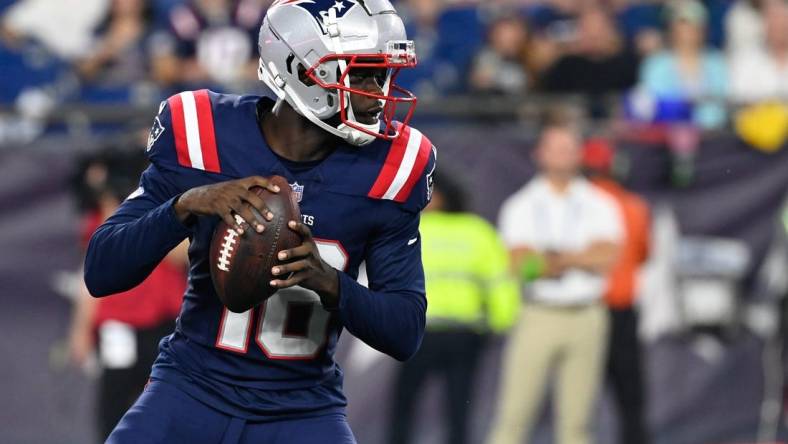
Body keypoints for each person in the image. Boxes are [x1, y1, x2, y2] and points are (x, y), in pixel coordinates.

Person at [83, 1, 436, 442]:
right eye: (359, 73)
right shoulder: (203, 131)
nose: (375, 93)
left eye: (381, 74)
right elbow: (101, 270)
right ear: (301, 69)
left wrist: (329, 282)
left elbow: (404, 331)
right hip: (191, 389)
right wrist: (185, 206)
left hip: (304, 409)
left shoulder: (393, 166)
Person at [486, 114, 623, 444]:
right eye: (556, 147)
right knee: (514, 418)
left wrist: (553, 259)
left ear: (580, 153)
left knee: (577, 423)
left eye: (569, 148)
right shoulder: (521, 205)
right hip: (539, 313)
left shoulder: (599, 202)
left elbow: (608, 257)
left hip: (586, 314)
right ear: (540, 153)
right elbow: (521, 264)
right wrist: (579, 257)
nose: (563, 155)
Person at [387, 170, 520, 444]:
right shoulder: (477, 231)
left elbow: (388, 279)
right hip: (464, 333)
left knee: (405, 404)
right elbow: (499, 282)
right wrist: (501, 322)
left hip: (420, 332)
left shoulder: (411, 227)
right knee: (459, 406)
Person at [68, 159, 188, 442]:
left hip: (163, 323)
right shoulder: (101, 218)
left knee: (166, 402)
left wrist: (155, 219)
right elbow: (91, 273)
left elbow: (181, 255)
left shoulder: (165, 210)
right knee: (114, 406)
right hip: (118, 324)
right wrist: (80, 328)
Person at [583, 138, 652, 444]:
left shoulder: (579, 205)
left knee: (580, 396)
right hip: (621, 307)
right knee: (630, 395)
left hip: (586, 308)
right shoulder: (634, 206)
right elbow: (643, 254)